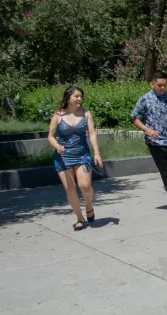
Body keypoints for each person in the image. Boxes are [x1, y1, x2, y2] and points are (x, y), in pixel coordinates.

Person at [49, 86, 103, 230]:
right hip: (63, 158)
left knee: (85, 186)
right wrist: (56, 145)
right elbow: (51, 136)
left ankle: (89, 206)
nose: (79, 99)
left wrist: (96, 153)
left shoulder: (86, 114)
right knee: (70, 188)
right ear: (68, 98)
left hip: (82, 155)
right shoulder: (58, 116)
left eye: (81, 96)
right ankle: (79, 218)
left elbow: (91, 134)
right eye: (76, 96)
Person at [132, 71, 167, 211]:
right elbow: (135, 118)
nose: (162, 88)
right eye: (159, 85)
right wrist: (147, 130)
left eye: (165, 85)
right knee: (166, 171)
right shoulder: (145, 99)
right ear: (152, 83)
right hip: (155, 142)